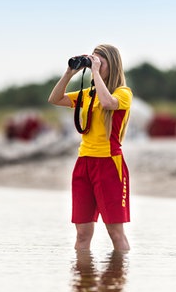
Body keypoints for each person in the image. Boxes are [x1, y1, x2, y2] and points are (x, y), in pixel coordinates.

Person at [48, 44, 132, 251]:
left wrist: (95, 72)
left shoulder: (123, 93)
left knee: (115, 232)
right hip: (83, 163)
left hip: (109, 164)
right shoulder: (88, 94)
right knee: (82, 233)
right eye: (93, 61)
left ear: (110, 64)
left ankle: (119, 280)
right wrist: (69, 73)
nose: (96, 65)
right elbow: (55, 99)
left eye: (100, 62)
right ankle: (83, 281)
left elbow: (108, 103)